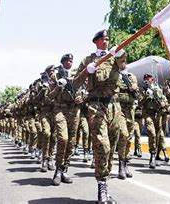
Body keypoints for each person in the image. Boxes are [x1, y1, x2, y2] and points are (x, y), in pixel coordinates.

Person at [74, 29, 123, 204]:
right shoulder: (87, 60)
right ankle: (102, 186)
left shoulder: (114, 57)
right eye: (103, 39)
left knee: (113, 142)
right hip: (95, 104)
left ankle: (106, 179)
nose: (106, 42)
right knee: (102, 145)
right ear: (96, 42)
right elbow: (75, 83)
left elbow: (123, 67)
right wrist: (87, 71)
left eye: (108, 39)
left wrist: (121, 54)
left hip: (114, 104)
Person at [49, 53, 81, 186]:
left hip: (74, 110)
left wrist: (81, 98)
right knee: (63, 138)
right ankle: (57, 169)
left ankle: (64, 169)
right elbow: (50, 95)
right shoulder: (54, 76)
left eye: (71, 60)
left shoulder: (76, 75)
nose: (70, 62)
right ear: (62, 62)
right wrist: (58, 86)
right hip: (60, 109)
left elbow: (82, 91)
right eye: (67, 60)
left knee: (71, 141)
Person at [116, 52, 139, 179]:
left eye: (125, 61)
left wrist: (135, 89)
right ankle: (120, 165)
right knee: (123, 135)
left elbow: (137, 96)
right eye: (121, 61)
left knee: (129, 136)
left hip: (130, 109)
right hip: (119, 109)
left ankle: (125, 163)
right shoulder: (115, 76)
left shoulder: (132, 77)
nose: (123, 63)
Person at [140, 73, 169, 169]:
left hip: (158, 115)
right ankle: (152, 155)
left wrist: (163, 103)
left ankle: (156, 154)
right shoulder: (142, 90)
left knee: (158, 135)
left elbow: (165, 102)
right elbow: (139, 103)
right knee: (151, 133)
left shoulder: (158, 90)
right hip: (148, 114)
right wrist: (146, 96)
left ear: (153, 79)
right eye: (145, 79)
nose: (147, 80)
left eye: (149, 78)